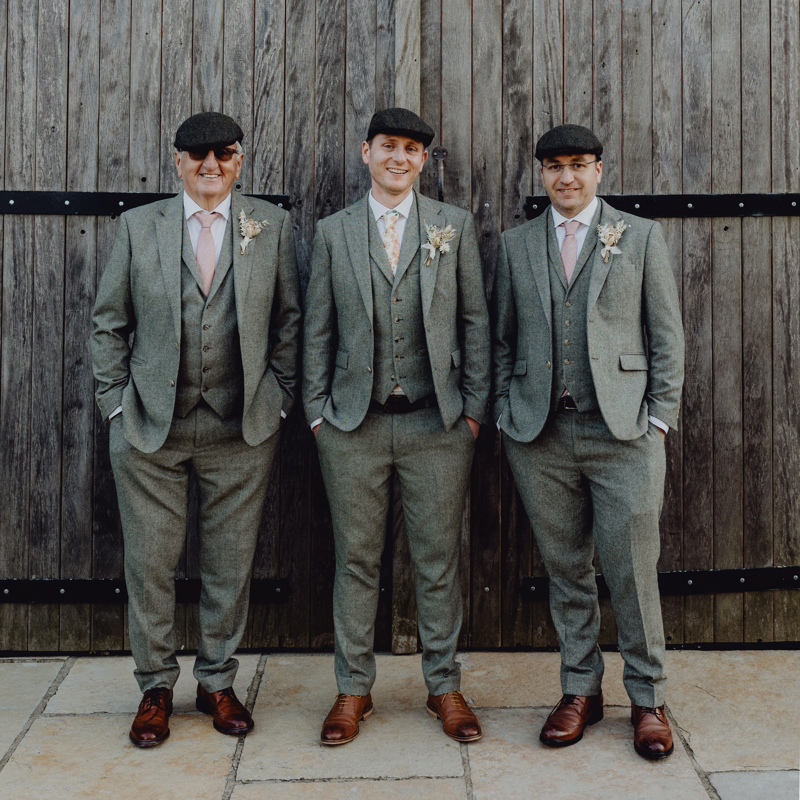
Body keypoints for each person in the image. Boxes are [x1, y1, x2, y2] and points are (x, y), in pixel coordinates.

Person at [91, 111, 301, 747]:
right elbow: (109, 324)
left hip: (241, 428)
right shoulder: (138, 226)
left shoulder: (272, 226)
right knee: (150, 562)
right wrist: (115, 406)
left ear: (240, 161)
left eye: (225, 154)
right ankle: (155, 685)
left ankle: (217, 680)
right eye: (198, 155)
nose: (211, 165)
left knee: (229, 563)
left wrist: (281, 398)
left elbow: (290, 320)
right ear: (178, 161)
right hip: (150, 426)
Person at [491, 124, 684, 760]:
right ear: (541, 175)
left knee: (631, 568)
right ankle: (580, 690)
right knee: (565, 568)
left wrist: (658, 418)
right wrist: (503, 410)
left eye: (578, 166)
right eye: (553, 167)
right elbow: (501, 338)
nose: (566, 178)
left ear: (599, 170)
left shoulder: (640, 236)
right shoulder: (517, 244)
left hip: (622, 431)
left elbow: (666, 338)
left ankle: (648, 698)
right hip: (540, 435)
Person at [303, 107, 490, 746]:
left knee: (436, 559)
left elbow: (475, 323)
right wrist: (317, 413)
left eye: (412, 149)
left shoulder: (452, 227)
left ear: (423, 160)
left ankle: (445, 688)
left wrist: (471, 412)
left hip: (437, 425)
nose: (399, 158)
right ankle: (353, 690)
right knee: (356, 559)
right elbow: (316, 330)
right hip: (352, 425)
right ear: (366, 152)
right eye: (389, 146)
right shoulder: (332, 233)